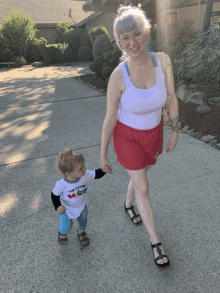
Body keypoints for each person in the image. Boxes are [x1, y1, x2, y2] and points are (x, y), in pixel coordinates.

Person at [100, 4, 179, 267]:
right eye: (125, 38)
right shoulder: (117, 76)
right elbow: (110, 118)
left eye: (136, 34)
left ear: (146, 32)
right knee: (143, 187)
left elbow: (172, 97)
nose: (132, 42)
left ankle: (127, 203)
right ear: (119, 42)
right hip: (127, 137)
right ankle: (155, 242)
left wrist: (175, 129)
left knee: (141, 173)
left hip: (153, 133)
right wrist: (103, 153)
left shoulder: (163, 60)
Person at [51, 149, 106, 248]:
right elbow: (54, 195)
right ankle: (62, 233)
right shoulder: (61, 184)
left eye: (84, 166)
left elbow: (96, 174)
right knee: (65, 227)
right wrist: (58, 206)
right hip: (66, 209)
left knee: (83, 221)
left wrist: (104, 170)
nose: (84, 169)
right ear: (68, 174)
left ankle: (81, 232)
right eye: (81, 168)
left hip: (81, 206)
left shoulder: (84, 175)